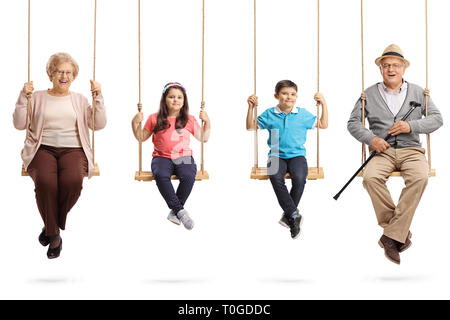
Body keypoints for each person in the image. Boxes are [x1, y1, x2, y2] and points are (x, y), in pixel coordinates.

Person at [347, 44, 443, 264]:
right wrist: (372, 139)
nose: (391, 69)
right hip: (383, 152)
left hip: (411, 151)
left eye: (396, 65)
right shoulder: (368, 94)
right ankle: (398, 232)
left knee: (421, 177)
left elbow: (437, 119)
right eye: (386, 65)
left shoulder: (420, 92)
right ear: (380, 69)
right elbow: (353, 123)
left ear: (403, 69)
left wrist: (412, 126)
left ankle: (391, 235)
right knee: (370, 179)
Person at [13, 52, 106, 259]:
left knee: (72, 181)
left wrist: (98, 97)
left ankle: (50, 225)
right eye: (59, 72)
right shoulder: (36, 97)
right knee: (46, 182)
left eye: (68, 73)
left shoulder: (80, 100)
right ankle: (54, 236)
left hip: (73, 149)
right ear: (51, 74)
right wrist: (22, 96)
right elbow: (19, 124)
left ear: (73, 76)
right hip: (42, 148)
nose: (64, 76)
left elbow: (98, 124)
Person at [247, 80, 328, 239]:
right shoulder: (270, 114)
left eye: (292, 94)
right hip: (276, 153)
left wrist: (323, 103)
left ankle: (289, 215)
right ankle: (293, 214)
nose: (289, 97)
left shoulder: (302, 114)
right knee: (275, 177)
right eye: (284, 93)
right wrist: (250, 107)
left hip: (297, 154)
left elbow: (323, 124)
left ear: (296, 96)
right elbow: (250, 126)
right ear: (276, 96)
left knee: (299, 178)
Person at [132, 82, 211, 230]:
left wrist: (207, 121)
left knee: (188, 176)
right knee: (160, 175)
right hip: (161, 157)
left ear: (184, 100)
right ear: (164, 99)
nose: (176, 100)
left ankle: (175, 211)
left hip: (183, 156)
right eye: (172, 97)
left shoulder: (189, 119)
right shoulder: (154, 118)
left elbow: (203, 138)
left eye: (179, 97)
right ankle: (180, 211)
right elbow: (141, 137)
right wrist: (134, 123)